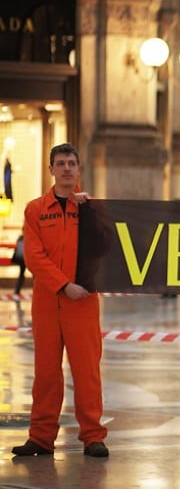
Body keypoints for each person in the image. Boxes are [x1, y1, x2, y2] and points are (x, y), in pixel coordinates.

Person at [11, 143, 108, 458]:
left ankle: (93, 437)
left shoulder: (92, 208)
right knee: (46, 373)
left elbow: (107, 247)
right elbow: (34, 256)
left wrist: (89, 212)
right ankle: (40, 438)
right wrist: (64, 285)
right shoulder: (36, 209)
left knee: (86, 371)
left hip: (84, 302)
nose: (67, 168)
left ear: (79, 169)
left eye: (72, 163)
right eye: (61, 163)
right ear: (51, 169)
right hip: (48, 302)